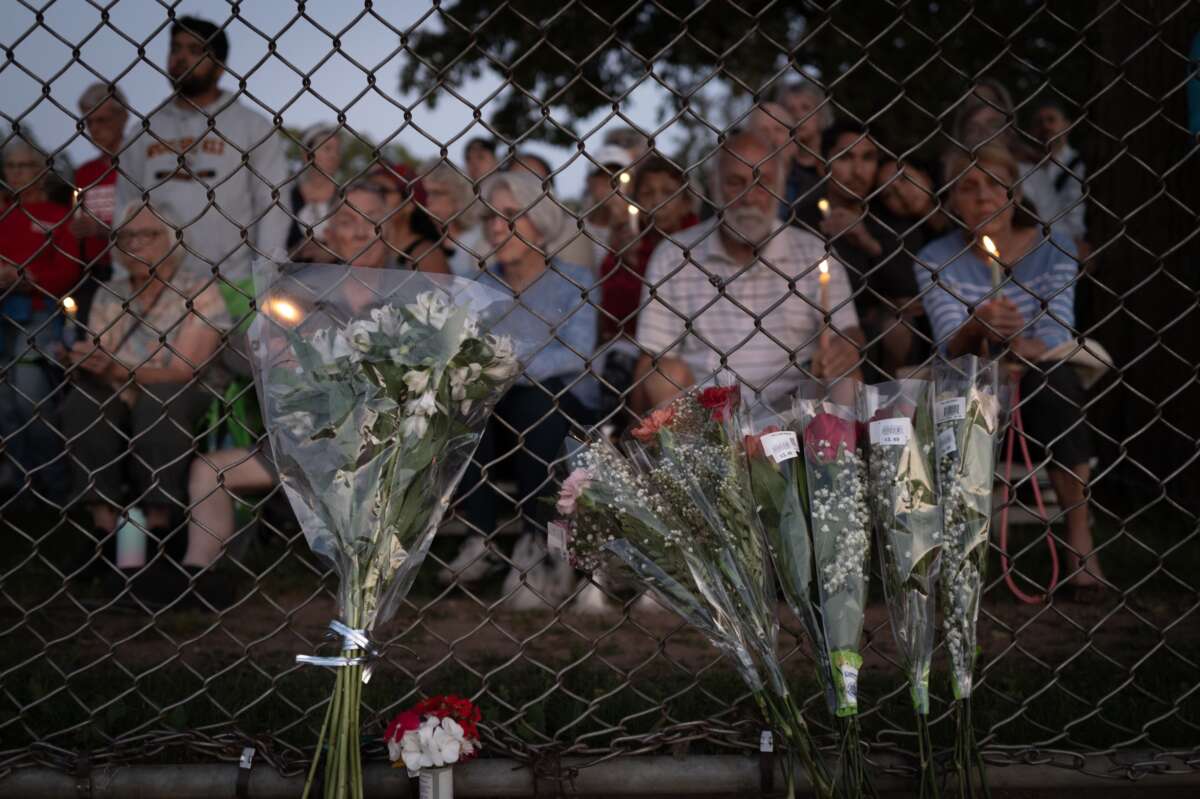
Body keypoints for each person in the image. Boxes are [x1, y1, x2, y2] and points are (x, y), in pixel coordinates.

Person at [913, 141, 1105, 597]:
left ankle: (1080, 540)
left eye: (997, 186)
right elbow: (948, 341)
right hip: (971, 381)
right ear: (952, 201)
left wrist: (1014, 341)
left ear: (1014, 195)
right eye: (969, 188)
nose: (984, 197)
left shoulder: (1054, 245)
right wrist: (977, 325)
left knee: (1055, 383)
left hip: (1039, 379)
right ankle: (958, 553)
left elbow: (1059, 330)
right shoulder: (935, 258)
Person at [442, 171, 597, 610]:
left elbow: (576, 353)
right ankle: (482, 538)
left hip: (560, 405)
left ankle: (541, 546)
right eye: (491, 215)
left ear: (540, 222)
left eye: (512, 215)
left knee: (536, 401)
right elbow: (464, 355)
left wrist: (505, 367)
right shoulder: (479, 288)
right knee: (464, 400)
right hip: (495, 409)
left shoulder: (575, 282)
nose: (496, 226)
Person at [63, 200, 230, 604]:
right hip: (121, 387)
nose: (136, 244)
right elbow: (100, 357)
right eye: (127, 236)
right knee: (83, 401)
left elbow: (183, 370)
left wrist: (113, 367)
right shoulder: (111, 292)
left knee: (160, 399)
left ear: (173, 241)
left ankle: (158, 527)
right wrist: (87, 360)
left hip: (182, 391)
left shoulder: (199, 290)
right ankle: (103, 531)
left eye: (149, 235)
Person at [634, 130, 863, 408]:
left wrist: (846, 346)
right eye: (735, 183)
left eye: (762, 183)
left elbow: (849, 331)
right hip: (707, 412)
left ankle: (839, 450)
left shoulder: (814, 253)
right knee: (662, 374)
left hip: (798, 407)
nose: (749, 197)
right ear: (715, 189)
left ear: (779, 189)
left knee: (845, 370)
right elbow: (652, 356)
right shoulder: (673, 256)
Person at [116, 16, 289, 284]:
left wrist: (265, 278)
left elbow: (272, 205)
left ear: (219, 67)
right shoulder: (143, 131)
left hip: (231, 282)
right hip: (156, 282)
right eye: (176, 48)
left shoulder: (251, 126)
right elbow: (125, 207)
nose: (181, 57)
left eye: (195, 50)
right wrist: (124, 274)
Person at [0, 137, 80, 501]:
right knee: (4, 402)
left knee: (30, 395)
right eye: (11, 167)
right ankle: (20, 481)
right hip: (3, 311)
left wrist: (29, 279)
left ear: (41, 171)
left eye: (25, 166)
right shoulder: (3, 212)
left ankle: (57, 482)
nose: (17, 174)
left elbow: (68, 270)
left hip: (38, 312)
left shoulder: (56, 216)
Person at [596, 155, 699, 422]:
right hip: (637, 343)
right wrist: (624, 263)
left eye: (668, 193)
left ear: (687, 202)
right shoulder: (629, 242)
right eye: (647, 194)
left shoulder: (700, 243)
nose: (657, 202)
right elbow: (613, 313)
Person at [821, 121, 921, 375]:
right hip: (825, 332)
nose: (858, 170)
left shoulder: (889, 217)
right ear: (824, 163)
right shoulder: (806, 218)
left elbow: (912, 293)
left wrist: (868, 242)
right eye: (846, 157)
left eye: (867, 158)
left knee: (897, 329)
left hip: (886, 340)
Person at [72, 82, 127, 310]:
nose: (94, 128)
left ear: (122, 118)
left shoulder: (137, 163)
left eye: (101, 120)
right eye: (88, 122)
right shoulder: (85, 171)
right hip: (93, 271)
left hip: (132, 265)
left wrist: (102, 229)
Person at [1019, 98, 1088, 253]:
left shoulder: (1083, 164)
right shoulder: (1024, 171)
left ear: (1067, 125)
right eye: (1039, 122)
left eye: (1051, 119)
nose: (1045, 126)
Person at [365, 163, 451, 273]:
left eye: (383, 191)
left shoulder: (426, 255)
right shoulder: (365, 245)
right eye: (370, 189)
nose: (373, 197)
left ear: (409, 205)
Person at [777, 79, 834, 230]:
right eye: (790, 110)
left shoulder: (836, 163)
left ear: (820, 114)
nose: (797, 116)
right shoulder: (777, 166)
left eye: (805, 108)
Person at [419, 158, 487, 276]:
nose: (428, 200)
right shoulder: (416, 239)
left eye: (437, 193)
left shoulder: (478, 242)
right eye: (424, 193)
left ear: (459, 197)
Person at [286, 123, 342, 262]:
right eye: (327, 149)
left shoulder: (345, 197)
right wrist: (296, 251)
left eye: (337, 150)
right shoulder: (287, 196)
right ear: (306, 154)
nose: (333, 156)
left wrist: (333, 251)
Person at [875, 156, 950, 254]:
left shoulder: (960, 207)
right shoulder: (909, 245)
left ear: (925, 176)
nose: (901, 193)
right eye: (888, 194)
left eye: (904, 178)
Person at [582, 144, 636, 269]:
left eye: (619, 177)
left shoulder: (642, 229)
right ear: (589, 182)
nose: (610, 183)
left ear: (632, 185)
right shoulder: (570, 230)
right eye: (602, 176)